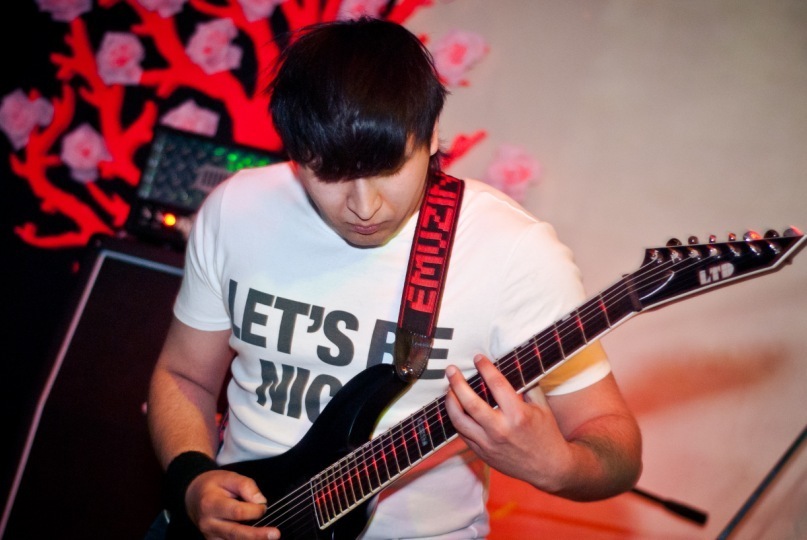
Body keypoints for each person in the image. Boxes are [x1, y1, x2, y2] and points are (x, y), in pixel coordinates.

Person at [146, 17, 642, 540]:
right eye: (330, 174)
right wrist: (191, 479)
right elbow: (184, 376)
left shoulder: (515, 252)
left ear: (431, 135)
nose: (364, 206)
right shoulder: (238, 210)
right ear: (294, 153)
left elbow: (615, 444)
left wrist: (556, 466)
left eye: (389, 168)